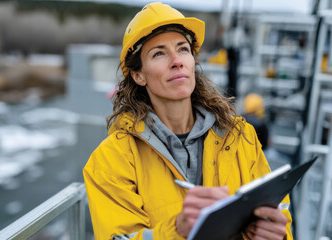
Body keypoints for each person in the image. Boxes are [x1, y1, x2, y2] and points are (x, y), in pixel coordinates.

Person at [83, 2, 292, 240]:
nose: (177, 60)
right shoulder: (112, 160)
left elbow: (280, 217)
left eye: (183, 49)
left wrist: (275, 234)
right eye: (159, 53)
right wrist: (177, 231)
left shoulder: (241, 137)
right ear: (138, 75)